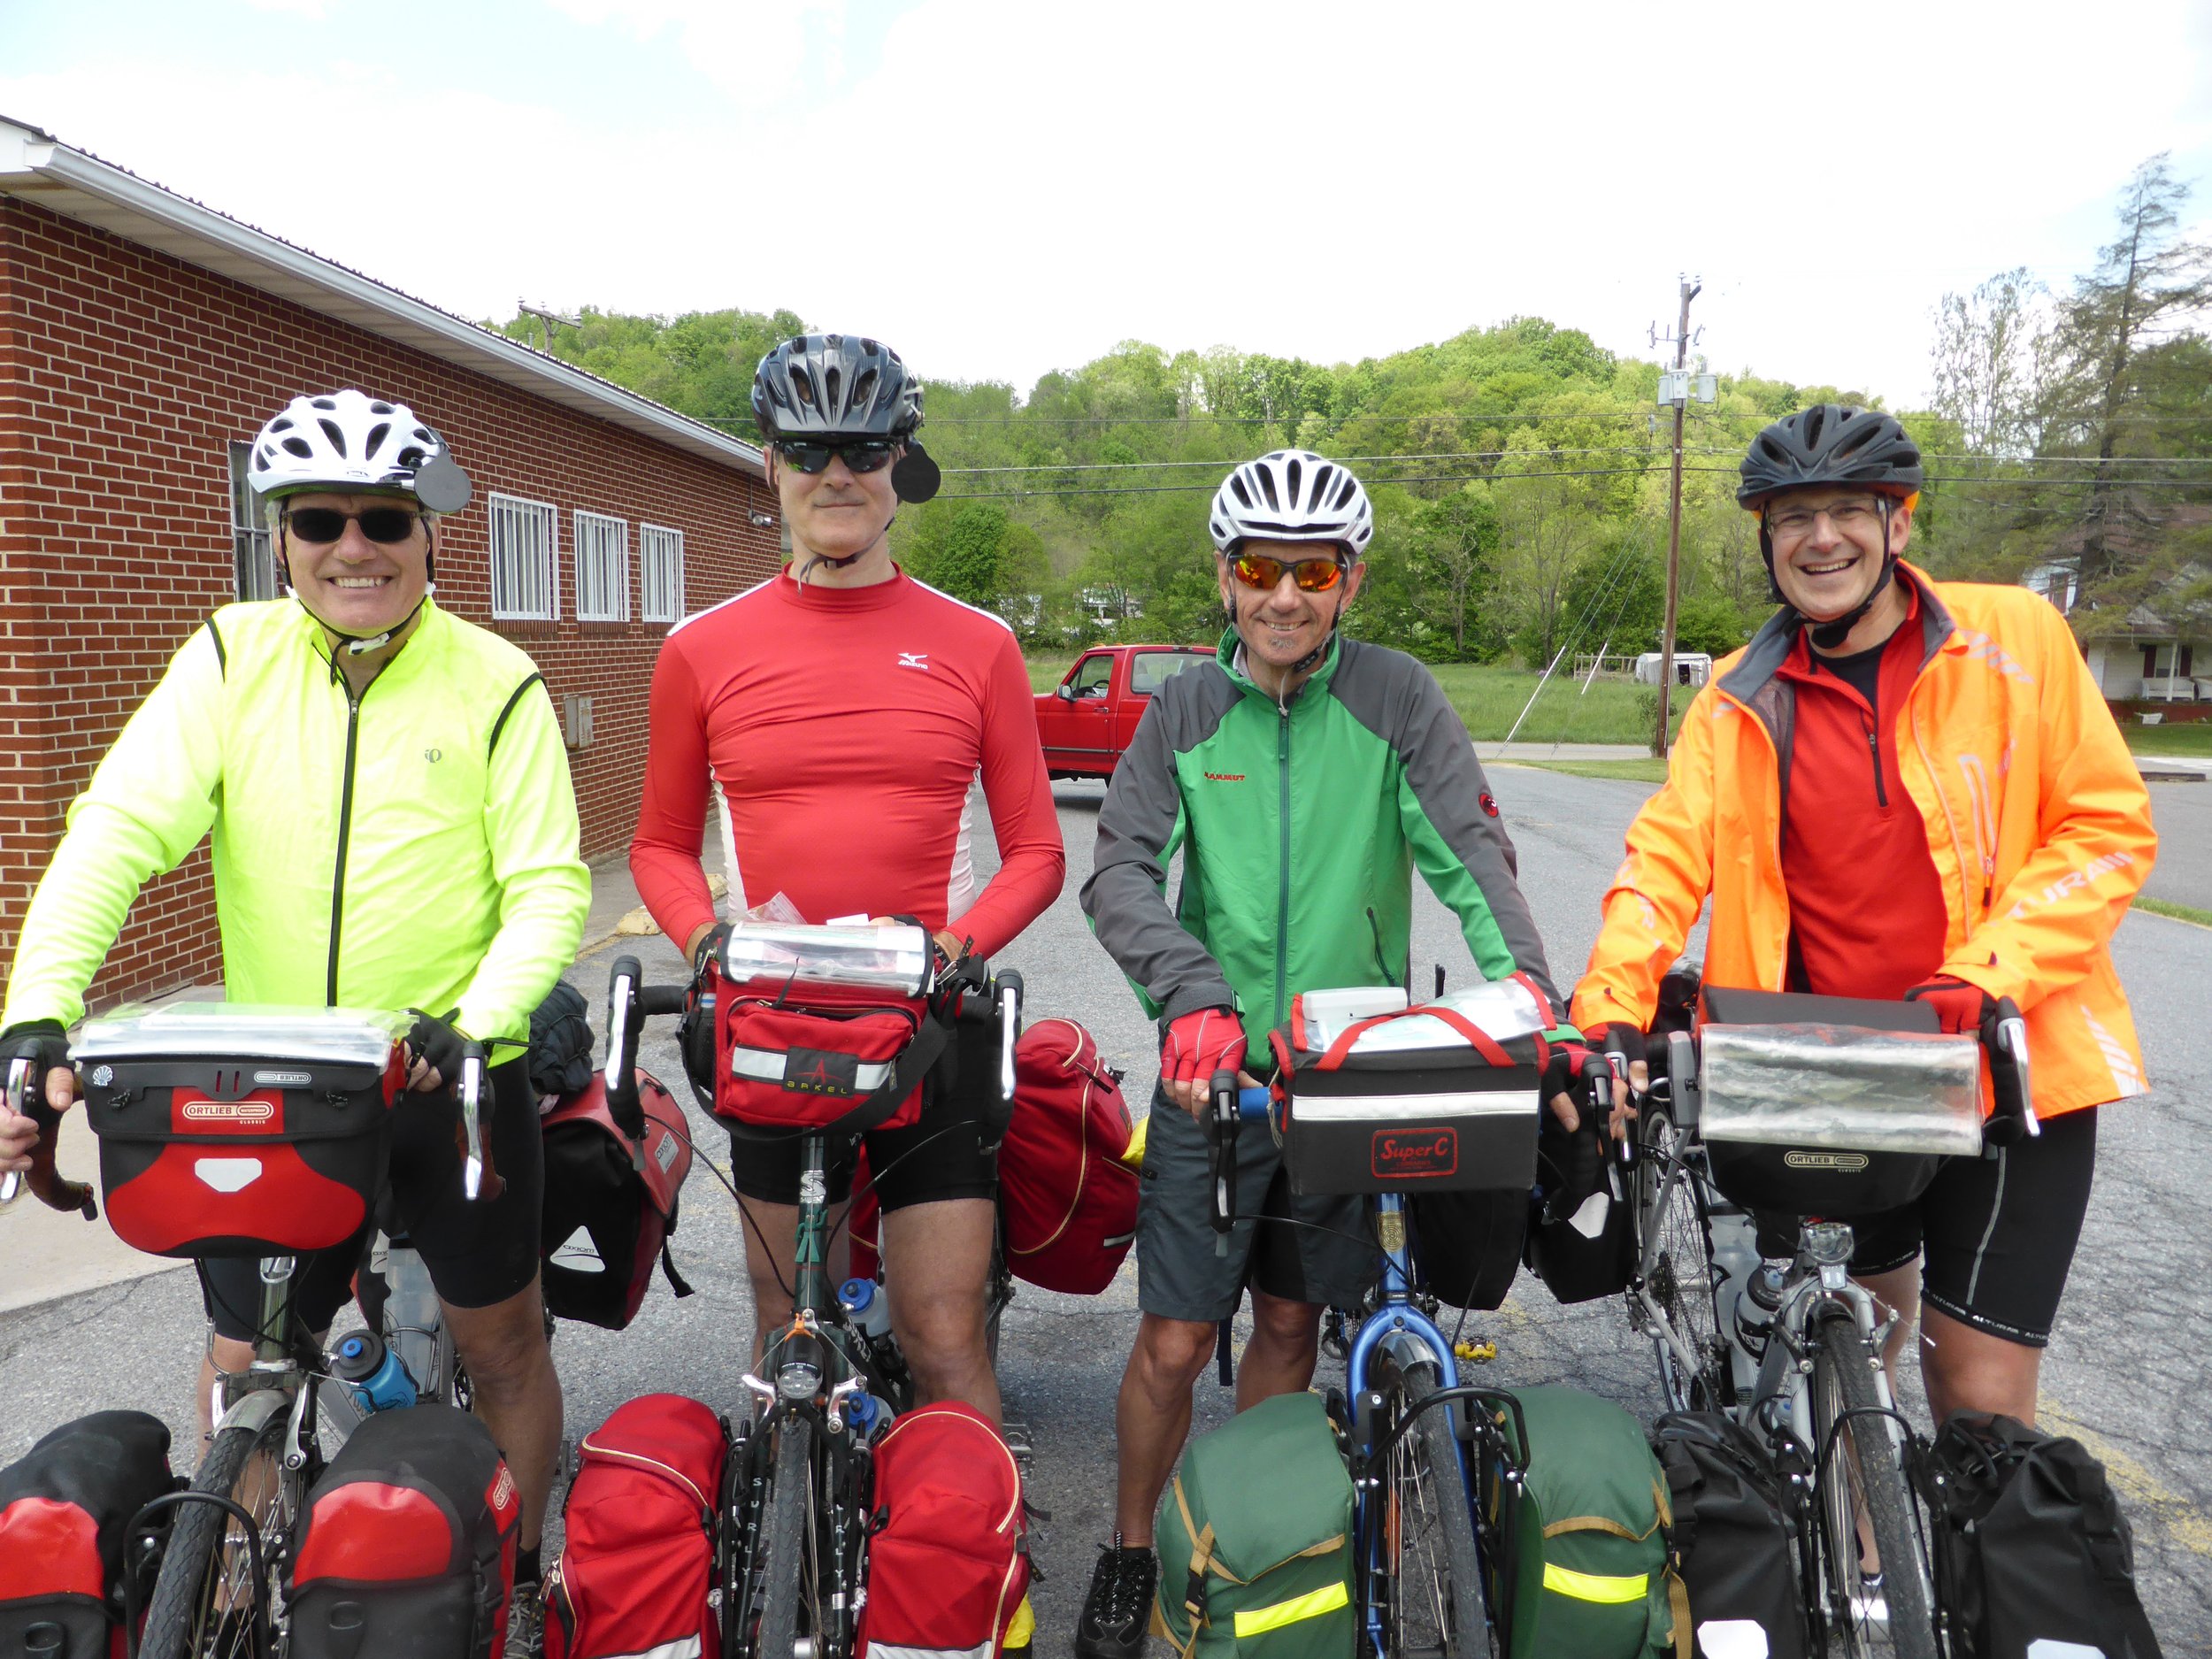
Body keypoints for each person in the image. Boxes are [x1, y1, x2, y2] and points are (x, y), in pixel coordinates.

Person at [0, 389, 588, 1648]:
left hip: (443, 1080)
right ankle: (219, 1593)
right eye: (318, 518)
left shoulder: (498, 682)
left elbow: (549, 885)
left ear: (430, 531)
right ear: (281, 537)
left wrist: (473, 1023)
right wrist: (36, 1013)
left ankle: (520, 1582)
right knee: (244, 1360)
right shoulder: (229, 655)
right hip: (278, 1086)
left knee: (504, 1348)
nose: (351, 544)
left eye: (382, 517)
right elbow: (115, 832)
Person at [1075, 449, 1594, 1659]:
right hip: (1216, 1069)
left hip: (1347, 1071)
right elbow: (1119, 872)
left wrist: (1534, 996)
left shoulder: (1398, 696)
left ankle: (1256, 1540)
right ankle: (1129, 1543)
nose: (1285, 595)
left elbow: (1471, 855)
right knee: (1172, 1336)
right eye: (1261, 568)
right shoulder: (1185, 710)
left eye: (1312, 570)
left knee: (1294, 1327)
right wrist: (1189, 990)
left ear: (1348, 580)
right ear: (1226, 575)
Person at [1572, 403, 2156, 1431]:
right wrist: (1610, 1009)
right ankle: (1866, 1576)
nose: (1821, 536)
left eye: (1849, 508)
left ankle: (1983, 1593)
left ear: (1899, 524)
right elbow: (1661, 861)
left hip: (1999, 1059)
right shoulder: (1734, 699)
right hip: (1827, 1070)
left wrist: (1988, 974)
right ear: (1767, 540)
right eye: (1793, 516)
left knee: (1977, 1388)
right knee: (1855, 1365)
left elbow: (2104, 830)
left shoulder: (2014, 639)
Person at [629, 332, 1064, 1429]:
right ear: (766, 463)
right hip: (776, 1012)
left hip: (931, 1017)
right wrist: (701, 941)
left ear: (898, 466)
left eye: (862, 448)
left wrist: (955, 951)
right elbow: (661, 846)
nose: (836, 473)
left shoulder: (979, 643)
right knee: (785, 1324)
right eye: (807, 449)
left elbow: (1037, 853)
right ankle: (790, 1550)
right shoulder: (700, 647)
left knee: (942, 1334)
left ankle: (975, 1581)